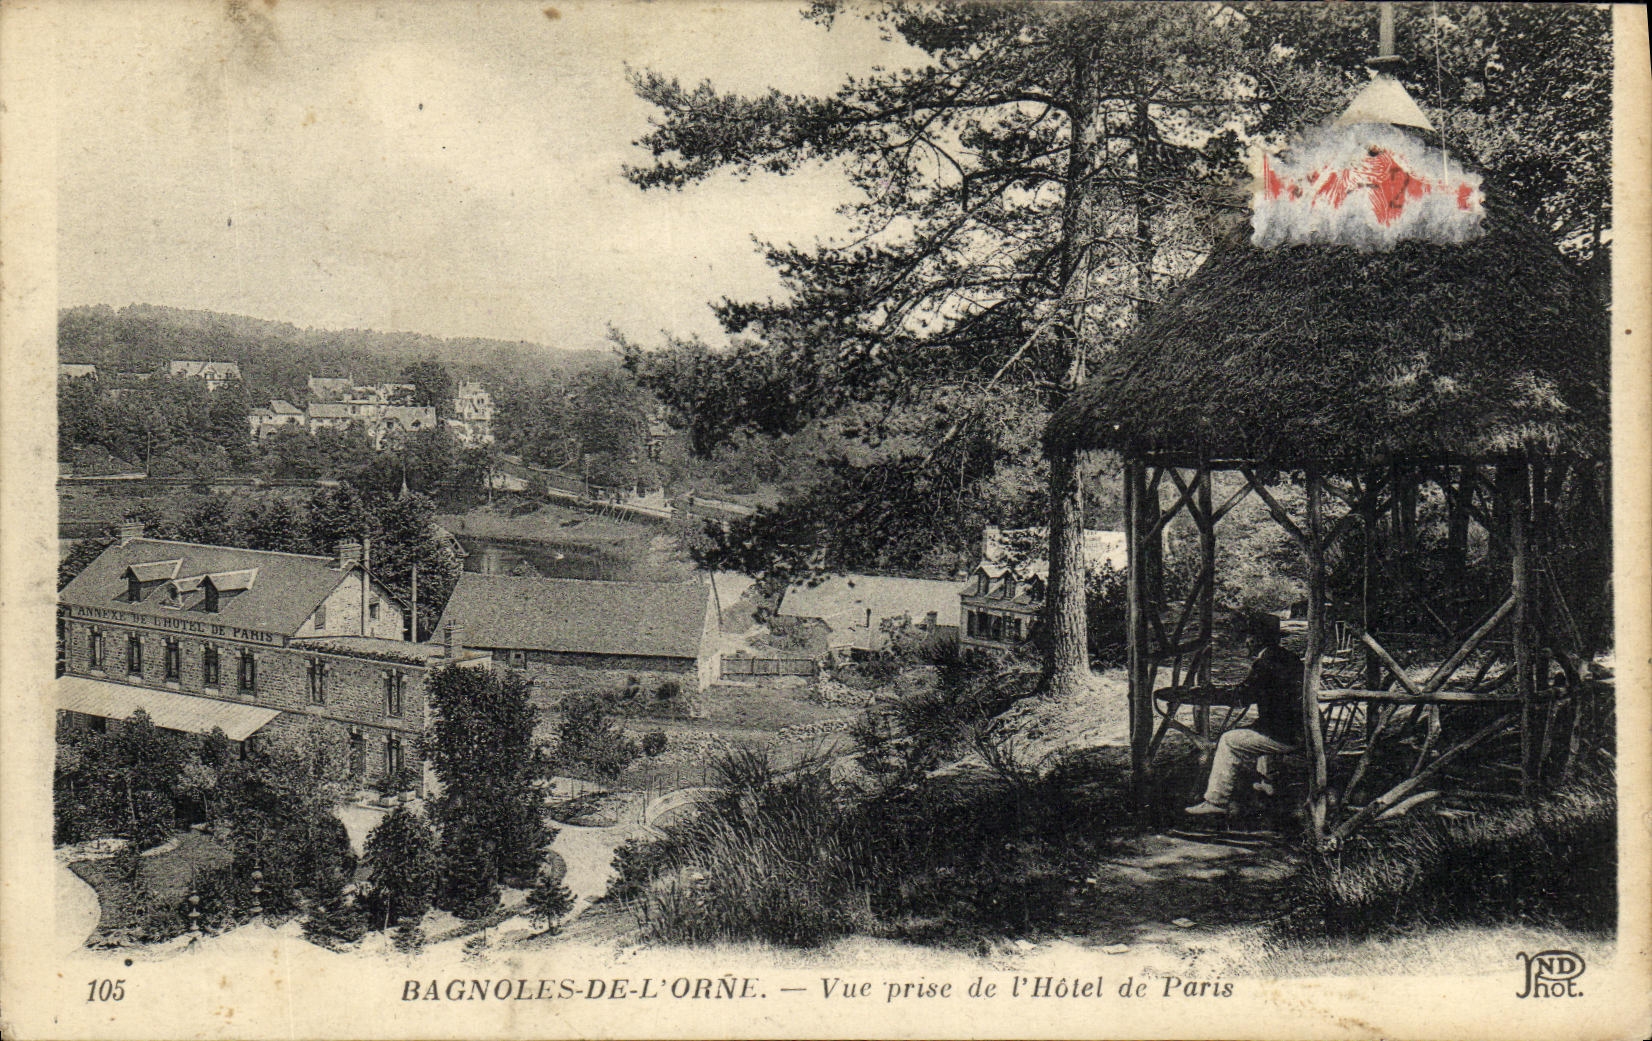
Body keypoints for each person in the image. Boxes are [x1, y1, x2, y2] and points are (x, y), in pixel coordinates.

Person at [1184, 611, 1305, 816]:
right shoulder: (1288, 657)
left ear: (1258, 639)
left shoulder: (1265, 663)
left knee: (1229, 740)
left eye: (1249, 637)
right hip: (1302, 727)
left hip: (1289, 735)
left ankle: (1216, 800)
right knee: (1259, 727)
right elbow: (1254, 690)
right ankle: (1269, 782)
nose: (1245, 643)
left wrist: (1213, 693)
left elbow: (1243, 696)